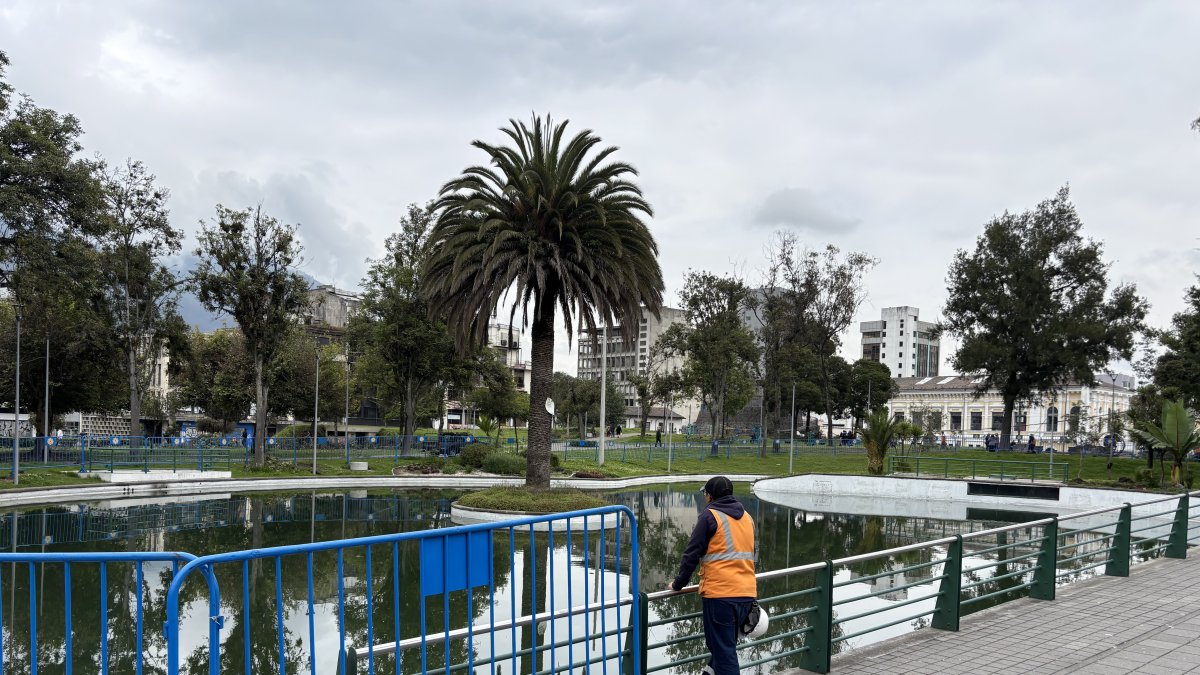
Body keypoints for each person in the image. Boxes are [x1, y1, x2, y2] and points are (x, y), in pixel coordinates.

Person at [666, 476, 757, 675]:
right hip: (747, 595)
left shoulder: (709, 517)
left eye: (705, 494)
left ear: (709, 496)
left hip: (721, 596)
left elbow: (691, 554)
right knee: (721, 648)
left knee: (725, 655)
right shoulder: (748, 518)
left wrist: (678, 584)